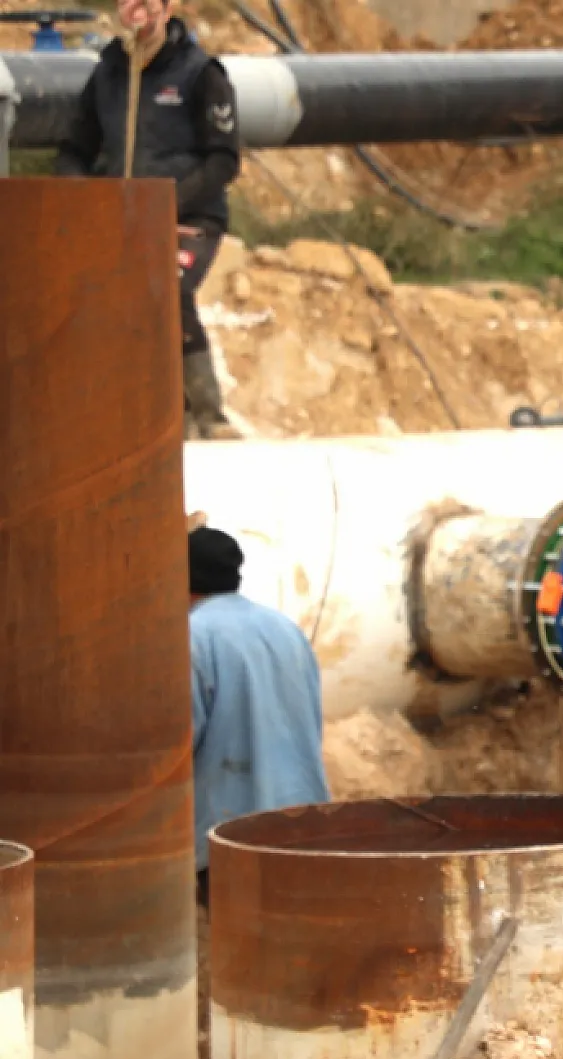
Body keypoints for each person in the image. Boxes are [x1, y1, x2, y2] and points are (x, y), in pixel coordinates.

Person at [56, 0, 242, 440]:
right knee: (105, 300)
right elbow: (72, 151)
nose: (136, 9)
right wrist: (89, 204)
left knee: (167, 286)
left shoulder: (201, 74)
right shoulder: (107, 73)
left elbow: (223, 160)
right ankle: (154, 416)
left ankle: (209, 414)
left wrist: (164, 207)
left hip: (189, 218)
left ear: (168, 7)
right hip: (121, 219)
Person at [188, 524, 329, 906]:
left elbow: (180, 740)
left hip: (234, 828)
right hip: (305, 820)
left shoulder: (192, 636)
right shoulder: (285, 628)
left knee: (246, 949)